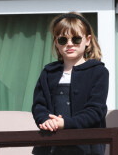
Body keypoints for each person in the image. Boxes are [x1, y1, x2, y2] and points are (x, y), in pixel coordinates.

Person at [32, 12, 109, 155]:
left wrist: (65, 124)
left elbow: (96, 110)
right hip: (49, 147)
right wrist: (46, 121)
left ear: (87, 40)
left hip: (87, 148)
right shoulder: (48, 72)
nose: (69, 44)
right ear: (56, 42)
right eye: (63, 40)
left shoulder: (98, 71)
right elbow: (39, 105)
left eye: (76, 39)